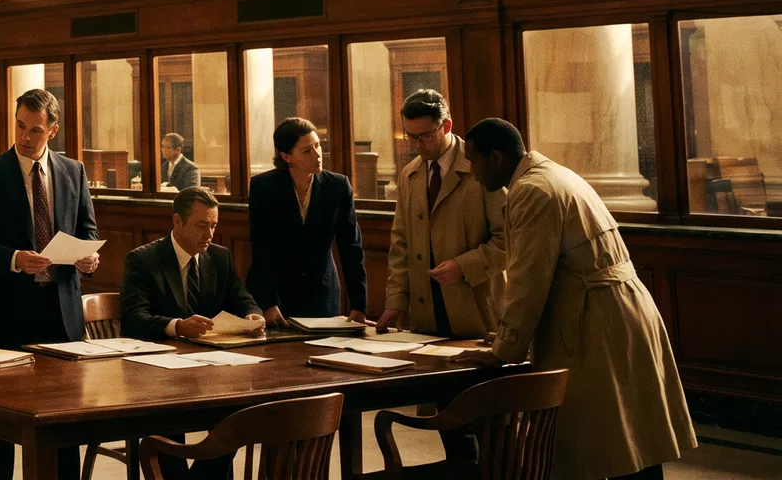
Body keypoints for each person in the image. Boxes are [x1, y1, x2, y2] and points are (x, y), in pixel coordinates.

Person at [458, 119, 695, 480]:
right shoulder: (551, 174)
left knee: (603, 441)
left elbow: (528, 280)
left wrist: (503, 350)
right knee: (633, 438)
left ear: (495, 158)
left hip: (598, 320)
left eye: (474, 162)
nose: (473, 174)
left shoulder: (532, 190)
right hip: (617, 310)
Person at [0, 89, 98, 480]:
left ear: (52, 130)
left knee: (63, 421)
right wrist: (14, 259)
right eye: (20, 126)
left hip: (61, 313)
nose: (24, 136)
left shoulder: (73, 171)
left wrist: (89, 258)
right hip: (8, 313)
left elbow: (87, 229)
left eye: (35, 130)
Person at [119, 187, 263, 480]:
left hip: (213, 370)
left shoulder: (220, 257)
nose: (209, 234)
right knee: (167, 426)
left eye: (213, 225)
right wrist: (176, 325)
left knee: (239, 417)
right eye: (201, 225)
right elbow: (133, 319)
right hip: (158, 375)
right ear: (177, 221)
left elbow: (241, 296)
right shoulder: (143, 260)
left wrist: (252, 313)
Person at [377, 90, 504, 339]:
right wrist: (396, 301)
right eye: (410, 136)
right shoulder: (409, 175)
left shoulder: (483, 167)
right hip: (425, 313)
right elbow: (400, 245)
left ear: (446, 126)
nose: (417, 145)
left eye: (425, 136)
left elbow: (509, 239)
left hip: (475, 307)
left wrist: (464, 266)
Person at [246, 118, 367, 327]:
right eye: (306, 151)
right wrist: (269, 302)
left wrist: (359, 304)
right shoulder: (264, 187)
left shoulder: (338, 186)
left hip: (323, 294)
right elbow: (261, 248)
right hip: (279, 296)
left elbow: (351, 248)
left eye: (317, 145)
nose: (317, 155)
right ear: (287, 156)